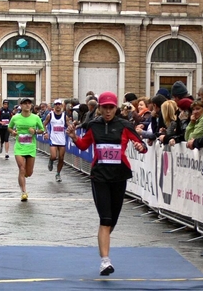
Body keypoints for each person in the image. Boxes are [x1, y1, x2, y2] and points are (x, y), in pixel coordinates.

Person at [65, 91, 148, 276]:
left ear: (116, 108)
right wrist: (73, 137)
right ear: (100, 108)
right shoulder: (93, 125)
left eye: (111, 107)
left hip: (119, 177)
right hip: (100, 177)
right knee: (105, 219)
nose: (108, 111)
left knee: (113, 220)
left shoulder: (125, 125)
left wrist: (140, 147)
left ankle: (103, 243)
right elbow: (83, 145)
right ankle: (105, 261)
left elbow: (142, 146)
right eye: (105, 107)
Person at [7, 98, 45, 201]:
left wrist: (35, 131)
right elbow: (9, 127)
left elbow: (42, 130)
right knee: (21, 169)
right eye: (25, 104)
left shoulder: (35, 118)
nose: (27, 105)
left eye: (29, 103)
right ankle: (23, 192)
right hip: (19, 147)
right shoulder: (15, 118)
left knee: (29, 172)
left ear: (31, 105)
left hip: (31, 147)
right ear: (21, 105)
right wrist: (13, 132)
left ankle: (23, 177)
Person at [43, 99, 68, 182]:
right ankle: (51, 160)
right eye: (56, 104)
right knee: (54, 156)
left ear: (61, 106)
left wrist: (72, 127)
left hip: (62, 140)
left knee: (61, 158)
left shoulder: (65, 116)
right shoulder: (50, 115)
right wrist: (45, 132)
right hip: (53, 139)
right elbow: (44, 124)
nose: (57, 106)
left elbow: (69, 126)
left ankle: (58, 174)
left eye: (59, 104)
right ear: (54, 105)